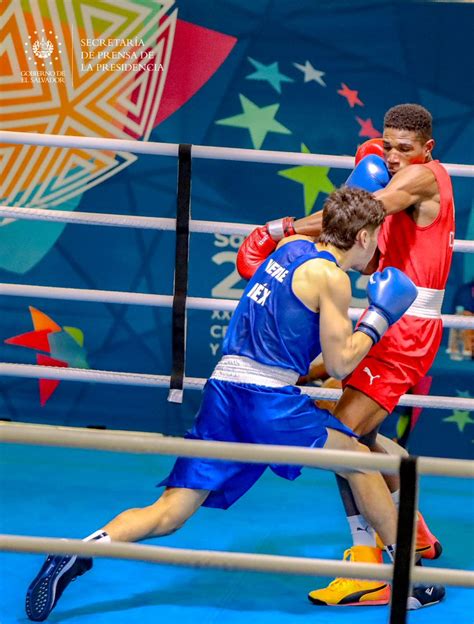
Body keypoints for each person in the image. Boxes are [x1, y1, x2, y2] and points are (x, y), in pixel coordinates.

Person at [25, 187, 442, 621]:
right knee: (360, 460)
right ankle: (408, 577)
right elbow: (341, 361)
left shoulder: (291, 247)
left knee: (169, 512)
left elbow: (297, 338)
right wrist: (378, 318)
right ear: (362, 238)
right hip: (265, 400)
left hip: (223, 390)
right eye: (376, 235)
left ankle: (79, 550)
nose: (376, 246)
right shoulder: (332, 278)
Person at [236, 103, 455, 606]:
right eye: (388, 143)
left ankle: (376, 570)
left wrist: (281, 231)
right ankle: (410, 530)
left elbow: (363, 213)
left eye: (406, 147)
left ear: (427, 149)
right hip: (387, 316)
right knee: (362, 438)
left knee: (342, 439)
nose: (394, 155)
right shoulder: (388, 167)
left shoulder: (421, 180)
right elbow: (371, 246)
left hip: (407, 327)